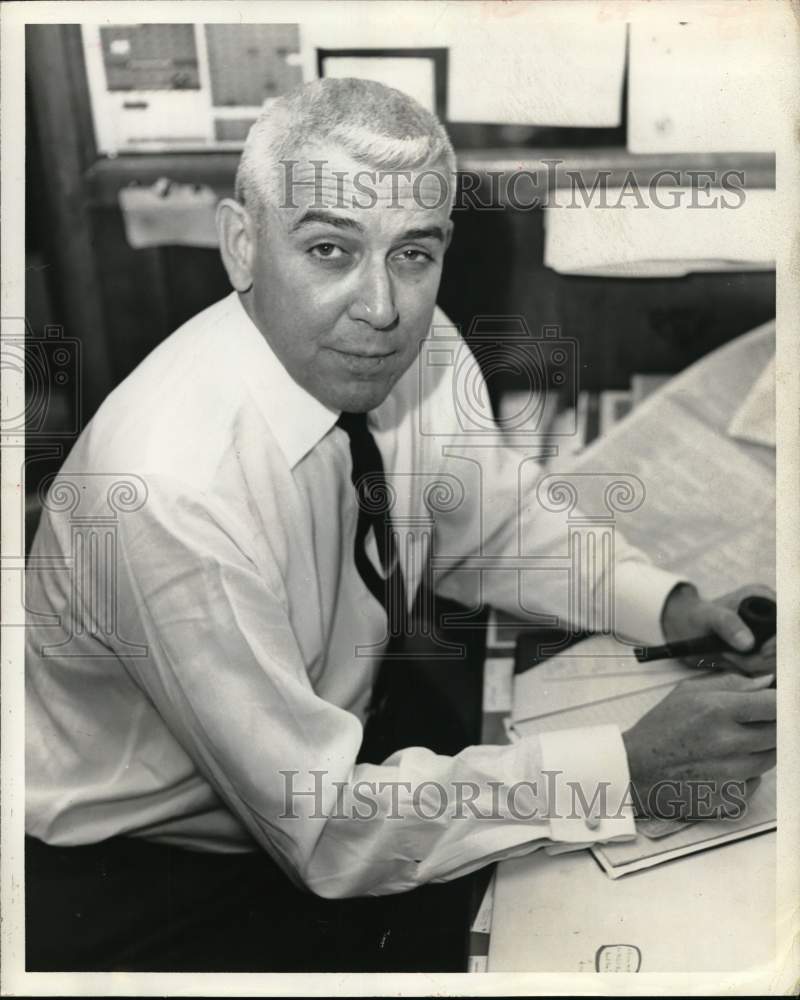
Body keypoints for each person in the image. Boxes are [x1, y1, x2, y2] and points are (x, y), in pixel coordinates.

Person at [25, 78, 776, 971]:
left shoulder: (404, 340)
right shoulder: (169, 490)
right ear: (241, 246)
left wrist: (667, 605)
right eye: (330, 250)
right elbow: (327, 833)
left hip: (339, 739)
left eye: (413, 254)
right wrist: (625, 768)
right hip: (153, 861)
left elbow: (490, 523)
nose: (380, 306)